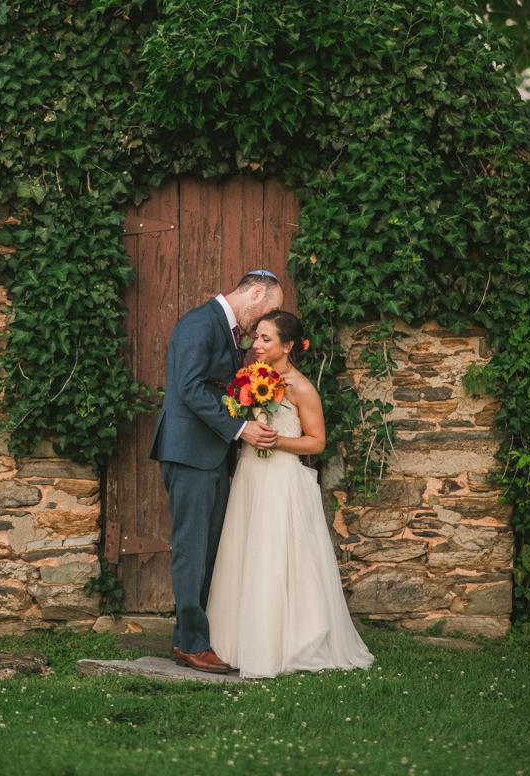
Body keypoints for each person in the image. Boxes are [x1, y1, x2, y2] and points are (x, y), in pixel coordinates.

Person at [207, 309, 374, 678]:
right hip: (249, 474)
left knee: (274, 558)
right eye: (256, 338)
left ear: (288, 346)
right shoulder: (248, 380)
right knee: (244, 555)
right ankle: (235, 642)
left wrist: (276, 439)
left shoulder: (301, 388)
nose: (256, 346)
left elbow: (317, 441)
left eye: (266, 339)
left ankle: (282, 643)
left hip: (279, 480)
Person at [150, 270, 284, 673]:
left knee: (207, 550)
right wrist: (241, 428)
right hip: (190, 453)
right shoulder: (198, 323)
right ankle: (191, 643)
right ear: (256, 293)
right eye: (270, 309)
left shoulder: (222, 326)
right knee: (192, 550)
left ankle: (189, 639)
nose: (266, 320)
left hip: (208, 454)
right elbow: (189, 388)